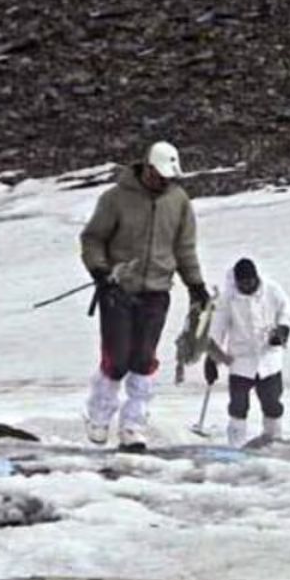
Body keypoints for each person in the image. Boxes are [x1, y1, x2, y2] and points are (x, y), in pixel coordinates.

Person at [79, 141, 208, 449]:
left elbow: (184, 249)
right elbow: (93, 239)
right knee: (117, 358)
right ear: (147, 168)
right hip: (118, 290)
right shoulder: (115, 199)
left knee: (143, 359)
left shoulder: (178, 202)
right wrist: (100, 272)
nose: (165, 181)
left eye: (169, 177)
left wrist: (196, 285)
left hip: (157, 292)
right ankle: (97, 415)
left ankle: (133, 425)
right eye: (160, 175)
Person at [204, 257, 290, 445]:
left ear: (256, 278)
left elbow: (287, 308)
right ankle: (235, 444)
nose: (246, 285)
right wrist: (212, 358)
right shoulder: (227, 298)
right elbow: (218, 327)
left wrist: (283, 329)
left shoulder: (271, 289)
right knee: (238, 405)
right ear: (236, 281)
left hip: (268, 358)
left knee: (272, 403)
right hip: (240, 360)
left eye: (250, 281)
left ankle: (273, 439)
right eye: (242, 282)